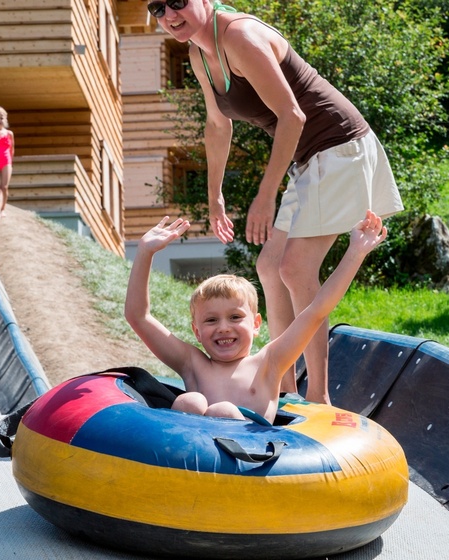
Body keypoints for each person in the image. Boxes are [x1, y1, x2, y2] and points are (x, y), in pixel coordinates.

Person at [147, 0, 403, 404]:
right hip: (310, 159)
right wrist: (215, 196)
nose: (169, 15)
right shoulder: (199, 52)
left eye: (177, 2)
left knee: (295, 267)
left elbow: (292, 116)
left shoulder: (239, 37)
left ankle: (318, 398)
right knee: (269, 266)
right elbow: (218, 125)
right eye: (157, 8)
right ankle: (285, 389)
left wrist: (265, 197)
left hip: (339, 148)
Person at [125, 211, 386, 422]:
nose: (224, 328)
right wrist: (145, 252)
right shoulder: (193, 364)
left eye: (235, 317)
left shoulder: (270, 362)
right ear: (197, 332)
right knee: (189, 402)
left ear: (256, 324)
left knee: (222, 411)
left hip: (251, 459)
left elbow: (317, 310)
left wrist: (355, 253)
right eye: (211, 320)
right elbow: (138, 317)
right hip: (197, 456)